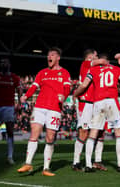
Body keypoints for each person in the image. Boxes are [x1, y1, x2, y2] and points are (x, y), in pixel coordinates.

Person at [17, 47, 71, 177]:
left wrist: (64, 96)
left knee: (50, 137)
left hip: (55, 109)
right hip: (40, 107)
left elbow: (67, 88)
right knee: (34, 133)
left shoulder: (64, 73)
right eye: (48, 55)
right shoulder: (42, 73)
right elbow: (34, 87)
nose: (49, 57)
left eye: (52, 55)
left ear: (58, 58)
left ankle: (46, 168)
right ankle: (28, 163)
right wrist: (26, 96)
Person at [72, 49, 107, 171]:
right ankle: (76, 162)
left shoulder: (95, 69)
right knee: (84, 132)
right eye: (95, 56)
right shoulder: (86, 64)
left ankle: (97, 161)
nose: (97, 58)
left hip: (97, 102)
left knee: (100, 132)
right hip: (85, 103)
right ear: (90, 56)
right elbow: (102, 61)